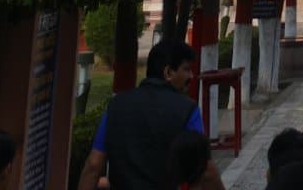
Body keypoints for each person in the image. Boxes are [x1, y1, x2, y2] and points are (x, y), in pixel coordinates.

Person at [78, 41, 218, 190]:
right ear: (168, 73)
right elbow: (206, 172)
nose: (191, 76)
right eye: (187, 69)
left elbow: (93, 165)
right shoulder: (188, 110)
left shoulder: (116, 105)